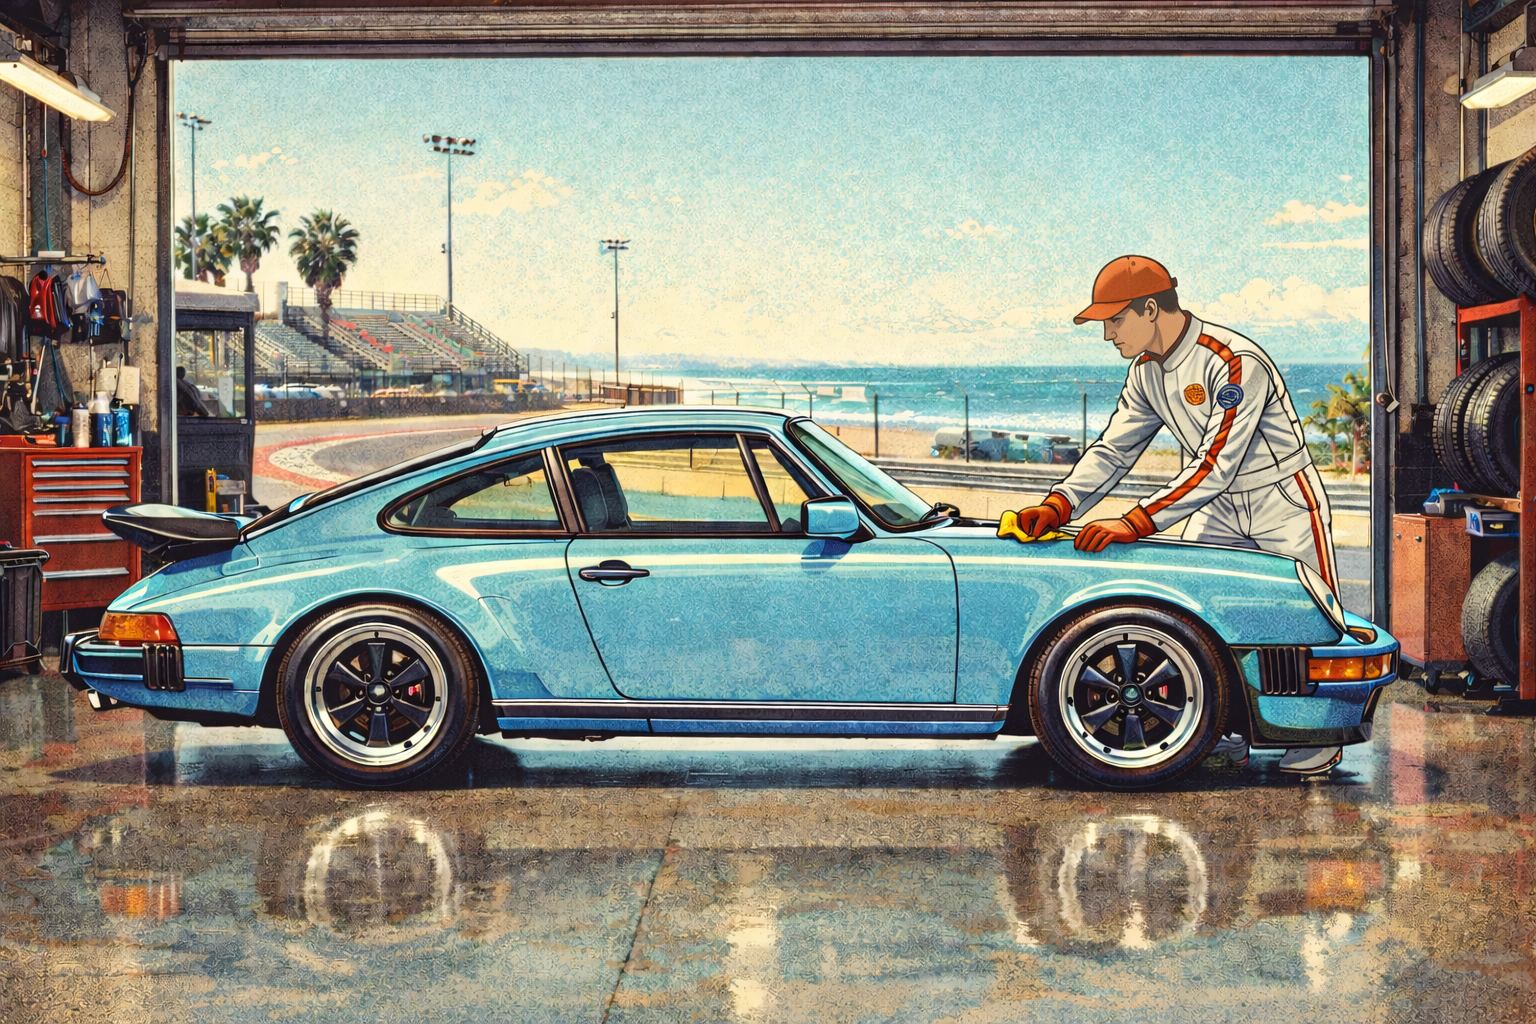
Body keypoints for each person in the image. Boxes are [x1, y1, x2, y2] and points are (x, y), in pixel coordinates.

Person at [1001, 255, 1341, 776]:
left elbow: (1216, 463)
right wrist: (1059, 504)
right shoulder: (1144, 372)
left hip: (1280, 499)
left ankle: (1321, 733)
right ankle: (1230, 728)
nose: (1108, 334)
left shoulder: (1232, 359)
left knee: (1311, 623)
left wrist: (1134, 522)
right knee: (1201, 615)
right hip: (1215, 505)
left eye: (1115, 320)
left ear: (1152, 309)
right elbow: (1114, 449)